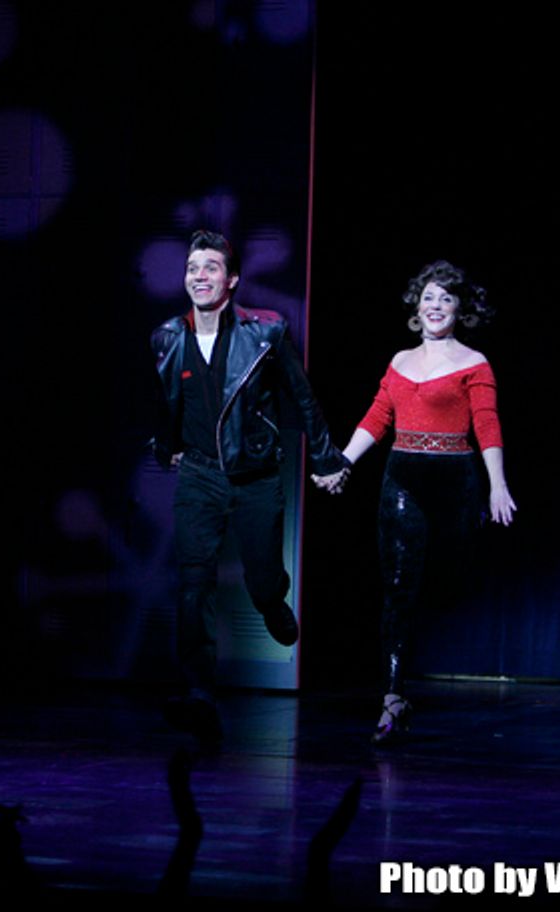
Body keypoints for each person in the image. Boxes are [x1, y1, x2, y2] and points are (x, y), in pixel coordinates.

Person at [150, 229, 348, 740]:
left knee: (262, 576)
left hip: (256, 475)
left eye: (210, 267)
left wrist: (326, 459)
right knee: (194, 585)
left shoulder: (267, 332)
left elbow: (302, 398)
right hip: (198, 474)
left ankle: (271, 599)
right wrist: (163, 444)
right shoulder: (168, 335)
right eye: (193, 268)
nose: (199, 276)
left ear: (231, 280)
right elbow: (168, 400)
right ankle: (199, 692)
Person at [318, 259, 516, 744]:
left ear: (459, 309)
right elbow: (378, 416)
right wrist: (343, 461)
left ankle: (410, 680)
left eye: (446, 298)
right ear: (416, 305)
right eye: (428, 297)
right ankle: (392, 697)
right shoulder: (400, 363)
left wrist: (498, 484)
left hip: (455, 481)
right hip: (403, 476)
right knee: (399, 589)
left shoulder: (474, 363)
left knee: (447, 585)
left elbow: (487, 424)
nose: (435, 306)